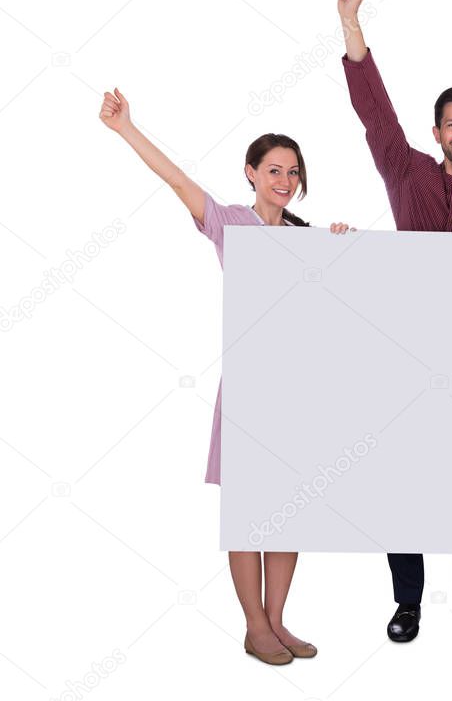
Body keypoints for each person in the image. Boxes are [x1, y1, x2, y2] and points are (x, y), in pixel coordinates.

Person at [99, 90, 344, 664]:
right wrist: (126, 129)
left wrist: (341, 250)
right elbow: (177, 179)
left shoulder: (306, 238)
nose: (284, 180)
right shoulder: (232, 225)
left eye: (293, 172)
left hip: (297, 394)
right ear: (252, 174)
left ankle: (279, 620)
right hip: (249, 395)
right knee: (249, 510)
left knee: (289, 510)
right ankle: (254, 625)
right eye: (274, 170)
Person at [334, 0, 452, 642]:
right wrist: (352, 26)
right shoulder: (406, 172)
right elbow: (374, 114)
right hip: (404, 353)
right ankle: (407, 602)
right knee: (403, 482)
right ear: (437, 131)